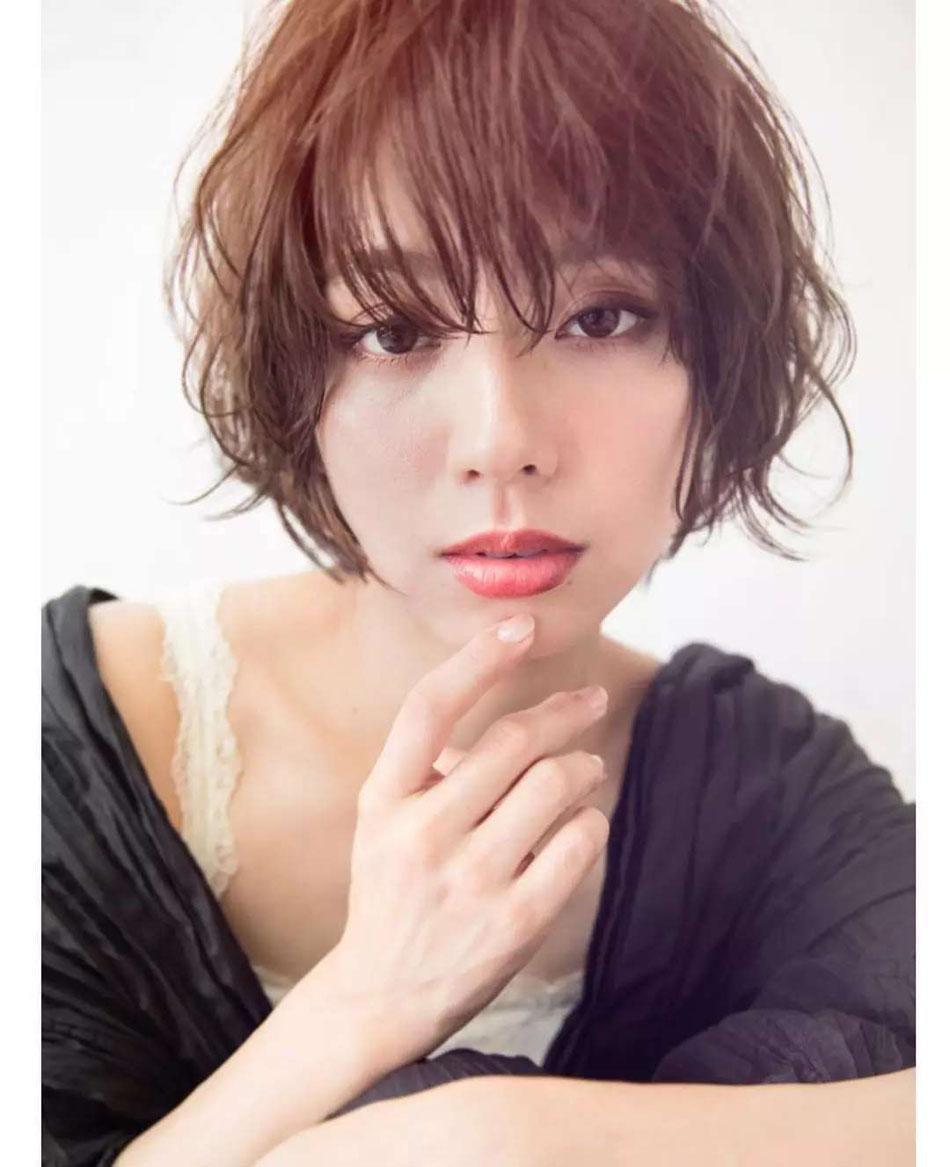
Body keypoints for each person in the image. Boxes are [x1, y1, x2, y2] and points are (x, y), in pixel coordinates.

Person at [41, 1, 915, 1164]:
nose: (501, 439)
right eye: (395, 332)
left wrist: (505, 1132)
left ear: (716, 359)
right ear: (291, 369)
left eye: (600, 316)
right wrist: (357, 1008)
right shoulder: (65, 751)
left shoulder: (772, 790)